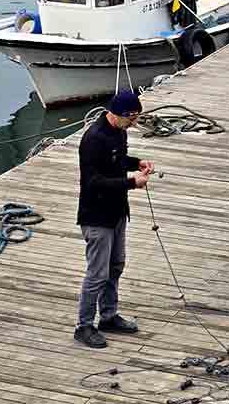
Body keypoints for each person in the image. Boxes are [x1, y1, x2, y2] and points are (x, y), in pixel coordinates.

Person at [75, 90, 154, 349]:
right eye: (132, 120)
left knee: (116, 266)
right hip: (96, 217)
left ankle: (108, 316)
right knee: (97, 274)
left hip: (118, 212)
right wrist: (132, 182)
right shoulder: (93, 139)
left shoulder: (119, 131)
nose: (134, 124)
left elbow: (118, 161)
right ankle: (84, 326)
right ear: (119, 114)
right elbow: (93, 182)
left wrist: (137, 163)